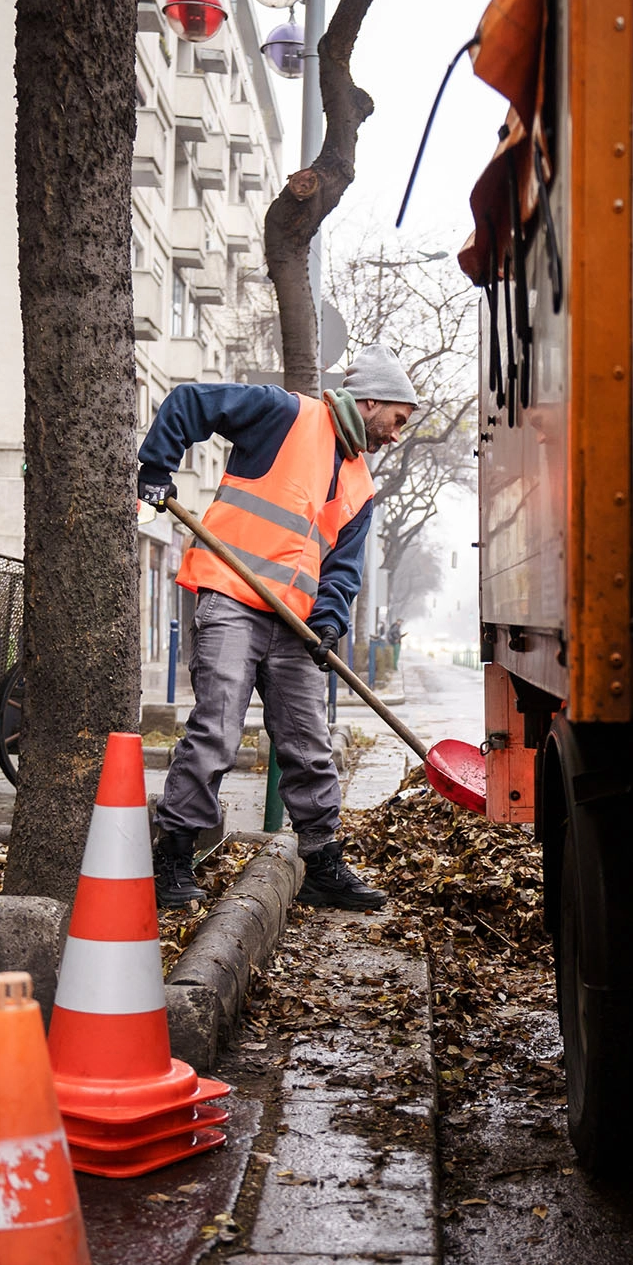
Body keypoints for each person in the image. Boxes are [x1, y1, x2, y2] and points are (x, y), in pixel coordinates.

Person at [135, 344, 420, 911]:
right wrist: (157, 467)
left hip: (293, 623)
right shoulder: (284, 413)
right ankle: (173, 853)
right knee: (216, 731)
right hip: (233, 596)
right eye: (397, 419)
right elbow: (192, 402)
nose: (395, 434)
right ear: (370, 401)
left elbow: (342, 566)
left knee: (309, 743)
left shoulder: (360, 485)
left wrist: (329, 619)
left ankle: (322, 861)